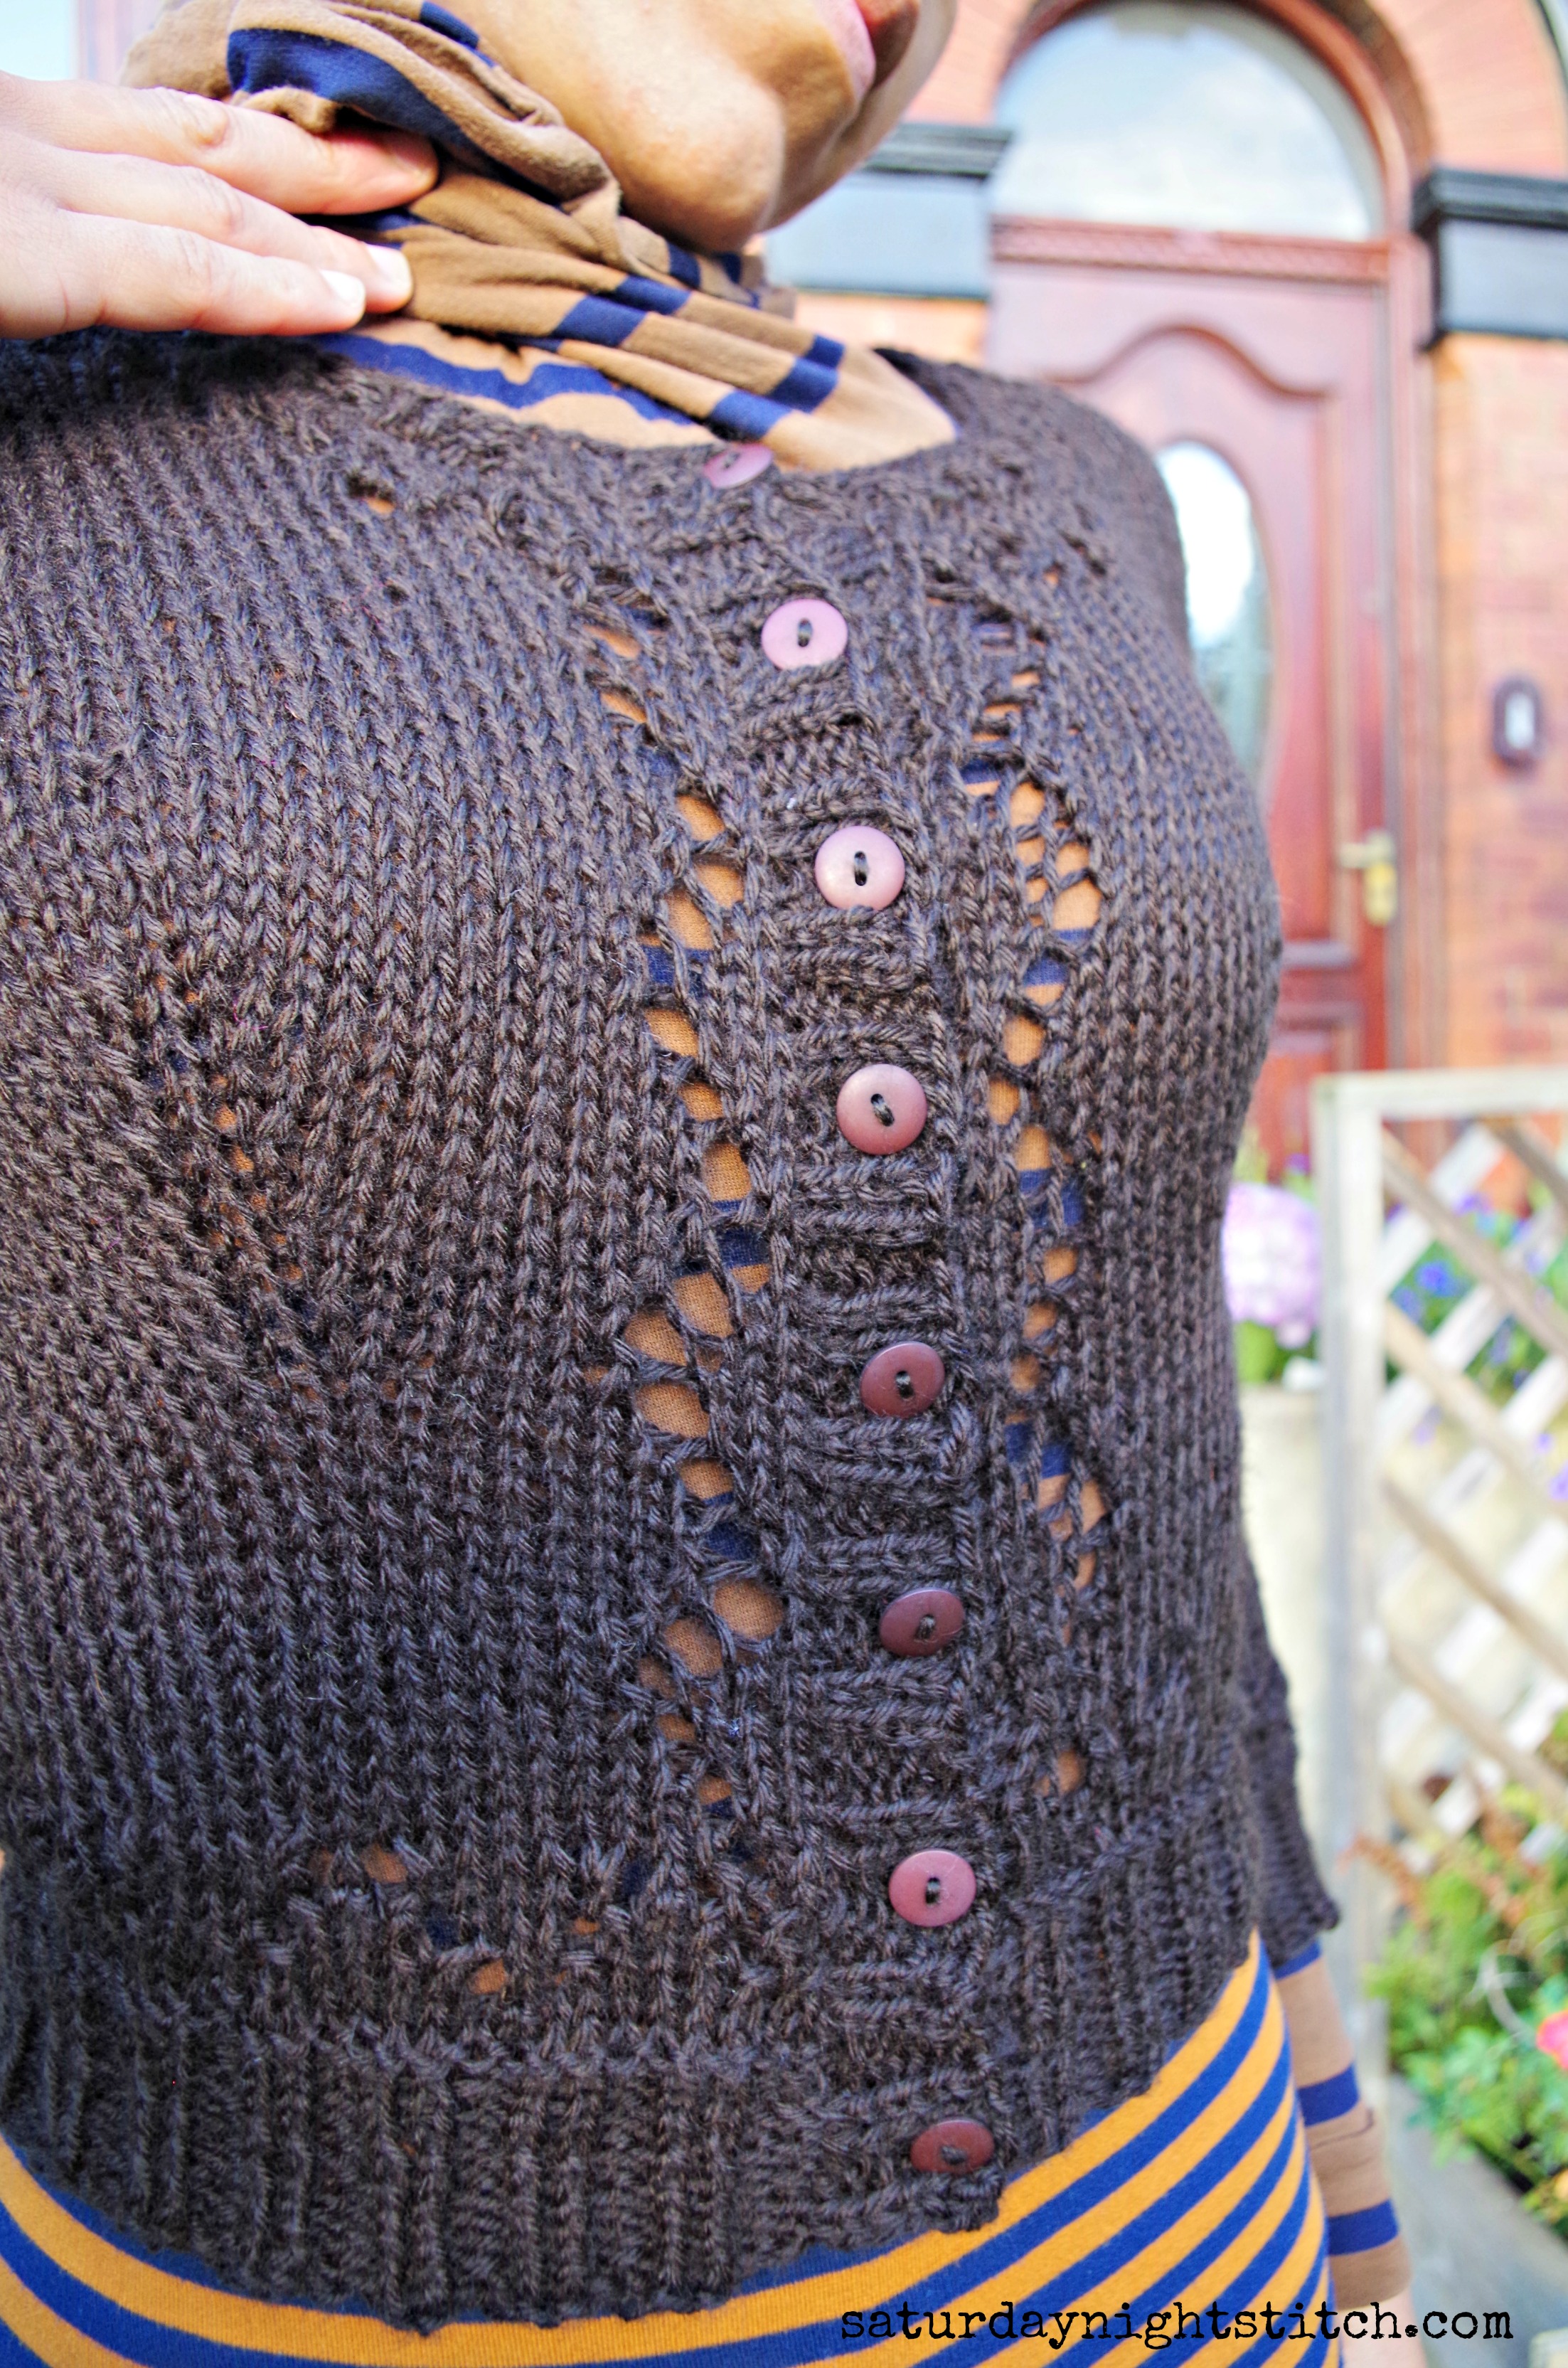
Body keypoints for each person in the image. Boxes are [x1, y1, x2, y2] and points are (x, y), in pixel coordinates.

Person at [0, 4, 1422, 2358]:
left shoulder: (1081, 492)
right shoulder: (47, 439)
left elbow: (1155, 1472)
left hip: (1205, 2230)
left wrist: (1353, 2205)